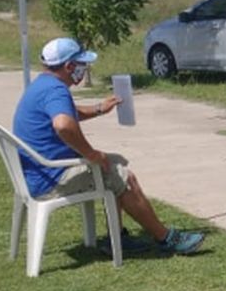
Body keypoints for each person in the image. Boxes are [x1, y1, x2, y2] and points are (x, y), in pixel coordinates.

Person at [12, 37, 205, 255]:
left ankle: (118, 235)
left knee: (117, 162)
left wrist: (99, 108)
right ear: (69, 66)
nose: (85, 69)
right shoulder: (56, 90)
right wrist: (91, 154)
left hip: (37, 174)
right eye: (82, 64)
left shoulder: (42, 84)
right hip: (51, 179)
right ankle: (166, 239)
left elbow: (67, 112)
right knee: (125, 177)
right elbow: (63, 124)